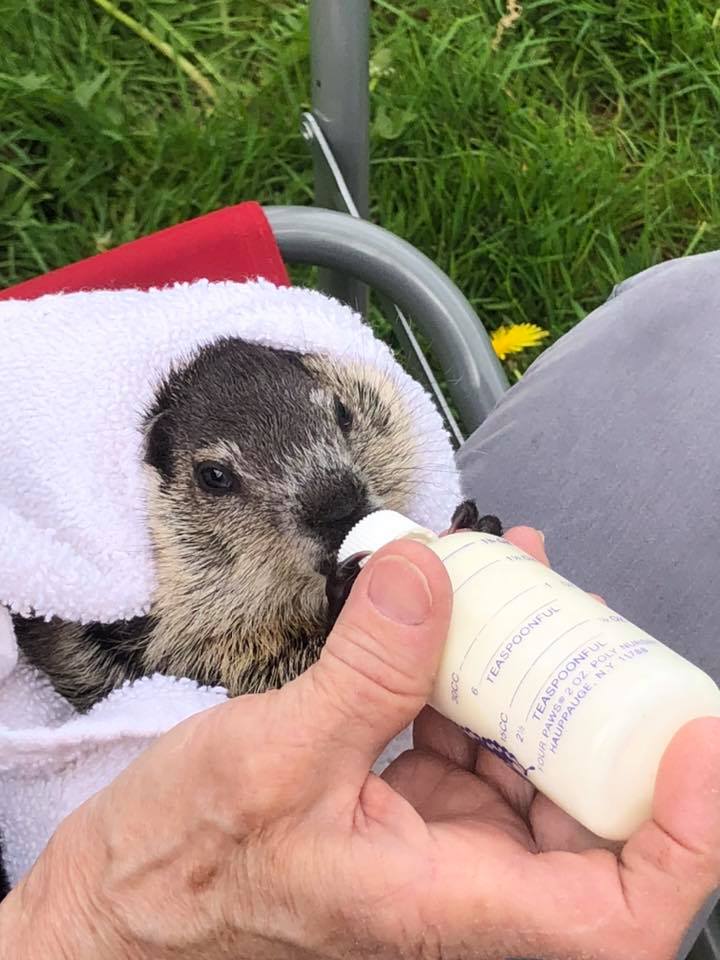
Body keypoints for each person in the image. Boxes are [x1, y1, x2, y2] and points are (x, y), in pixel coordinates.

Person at [2, 251, 720, 959]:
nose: (335, 498)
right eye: (217, 479)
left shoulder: (351, 425)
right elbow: (202, 675)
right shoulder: (148, 580)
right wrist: (98, 921)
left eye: (337, 421)